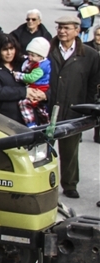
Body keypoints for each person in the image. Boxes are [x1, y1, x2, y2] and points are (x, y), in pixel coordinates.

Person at [47, 14, 100, 199]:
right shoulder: (48, 49)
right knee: (44, 149)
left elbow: (94, 82)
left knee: (69, 151)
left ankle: (70, 184)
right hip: (48, 109)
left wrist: (87, 106)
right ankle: (44, 184)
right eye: (60, 27)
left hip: (73, 110)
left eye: (66, 28)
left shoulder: (89, 55)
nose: (62, 31)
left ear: (77, 31)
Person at [0, 34, 37, 125]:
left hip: (30, 117)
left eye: (11, 49)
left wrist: (43, 94)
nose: (9, 53)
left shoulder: (24, 63)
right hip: (6, 119)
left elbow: (43, 79)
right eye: (5, 50)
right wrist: (24, 92)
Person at [13, 37, 51, 127]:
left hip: (38, 88)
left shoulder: (41, 67)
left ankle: (31, 124)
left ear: (41, 56)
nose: (30, 57)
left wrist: (18, 75)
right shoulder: (35, 61)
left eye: (33, 55)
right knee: (40, 108)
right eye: (29, 54)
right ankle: (45, 124)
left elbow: (31, 78)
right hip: (36, 87)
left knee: (24, 103)